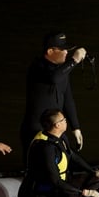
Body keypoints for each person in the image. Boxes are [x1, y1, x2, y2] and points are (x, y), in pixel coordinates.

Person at [18, 108, 99, 197]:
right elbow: (55, 180)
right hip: (42, 195)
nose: (66, 121)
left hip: (59, 188)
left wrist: (93, 172)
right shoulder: (46, 148)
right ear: (57, 125)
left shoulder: (61, 137)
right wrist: (84, 192)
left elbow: (72, 155)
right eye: (63, 119)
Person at [19, 31, 88, 167]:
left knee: (65, 160)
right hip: (36, 129)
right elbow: (53, 78)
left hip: (56, 127)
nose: (66, 53)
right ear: (50, 51)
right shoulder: (37, 66)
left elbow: (67, 98)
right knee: (37, 167)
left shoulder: (61, 70)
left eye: (68, 50)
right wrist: (74, 61)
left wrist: (75, 127)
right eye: (63, 50)